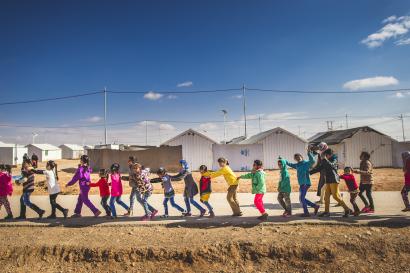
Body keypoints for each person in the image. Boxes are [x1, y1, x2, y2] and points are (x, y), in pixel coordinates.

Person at [311, 149, 351, 218]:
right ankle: (327, 212)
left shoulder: (334, 159)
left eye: (326, 155)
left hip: (334, 179)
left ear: (329, 155)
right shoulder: (325, 161)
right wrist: (309, 172)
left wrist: (325, 159)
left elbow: (331, 166)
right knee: (326, 197)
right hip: (328, 180)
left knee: (335, 196)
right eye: (325, 155)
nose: (325, 156)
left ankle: (347, 209)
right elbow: (319, 168)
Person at [285, 150, 320, 217]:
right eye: (296, 158)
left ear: (301, 157)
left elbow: (313, 161)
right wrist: (284, 160)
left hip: (305, 183)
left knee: (301, 198)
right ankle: (315, 206)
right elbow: (290, 164)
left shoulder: (306, 163)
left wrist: (309, 153)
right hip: (301, 184)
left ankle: (306, 212)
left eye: (298, 157)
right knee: (302, 198)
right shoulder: (297, 165)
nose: (298, 158)